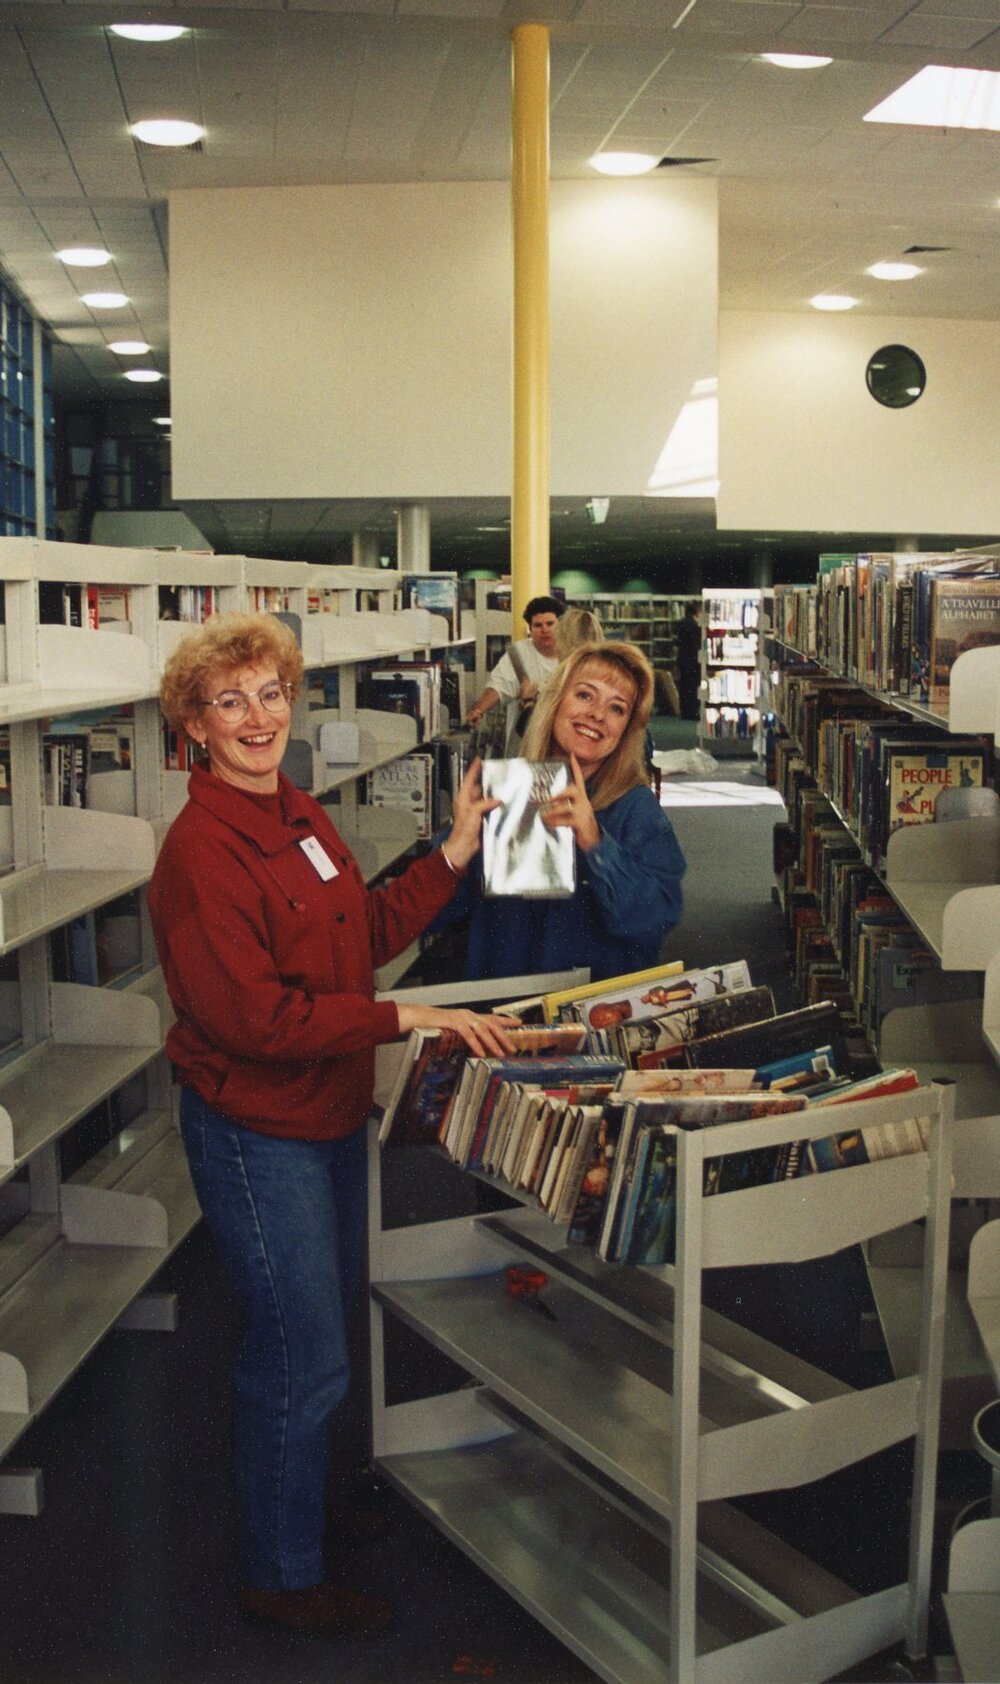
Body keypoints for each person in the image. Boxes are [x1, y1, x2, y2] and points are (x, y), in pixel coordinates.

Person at [146, 612, 515, 1638]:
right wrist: (409, 1015)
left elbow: (361, 932)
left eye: (270, 692)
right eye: (231, 702)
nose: (258, 717)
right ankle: (282, 1570)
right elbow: (253, 1020)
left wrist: (448, 853)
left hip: (328, 1110)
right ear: (196, 726)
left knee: (322, 1332)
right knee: (298, 1351)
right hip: (258, 1129)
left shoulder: (297, 813)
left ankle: (300, 1503)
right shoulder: (201, 852)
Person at [441, 641, 686, 982]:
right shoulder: (505, 790)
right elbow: (441, 915)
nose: (598, 714)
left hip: (592, 1011)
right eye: (585, 695)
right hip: (504, 1013)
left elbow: (656, 918)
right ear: (555, 702)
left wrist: (596, 845)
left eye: (617, 708)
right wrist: (456, 848)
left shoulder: (635, 807)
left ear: (626, 730)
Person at [465, 593, 564, 743]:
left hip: (561, 739)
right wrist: (479, 710)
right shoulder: (519, 653)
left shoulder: (573, 654)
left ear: (561, 625)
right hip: (524, 742)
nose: (544, 630)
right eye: (537, 625)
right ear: (530, 628)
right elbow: (498, 686)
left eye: (550, 624)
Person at [676, 599, 702, 722]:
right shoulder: (695, 625)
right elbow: (696, 645)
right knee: (692, 686)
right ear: (697, 611)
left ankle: (684, 711)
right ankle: (692, 712)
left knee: (684, 686)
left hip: (682, 659)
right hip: (693, 660)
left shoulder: (681, 623)